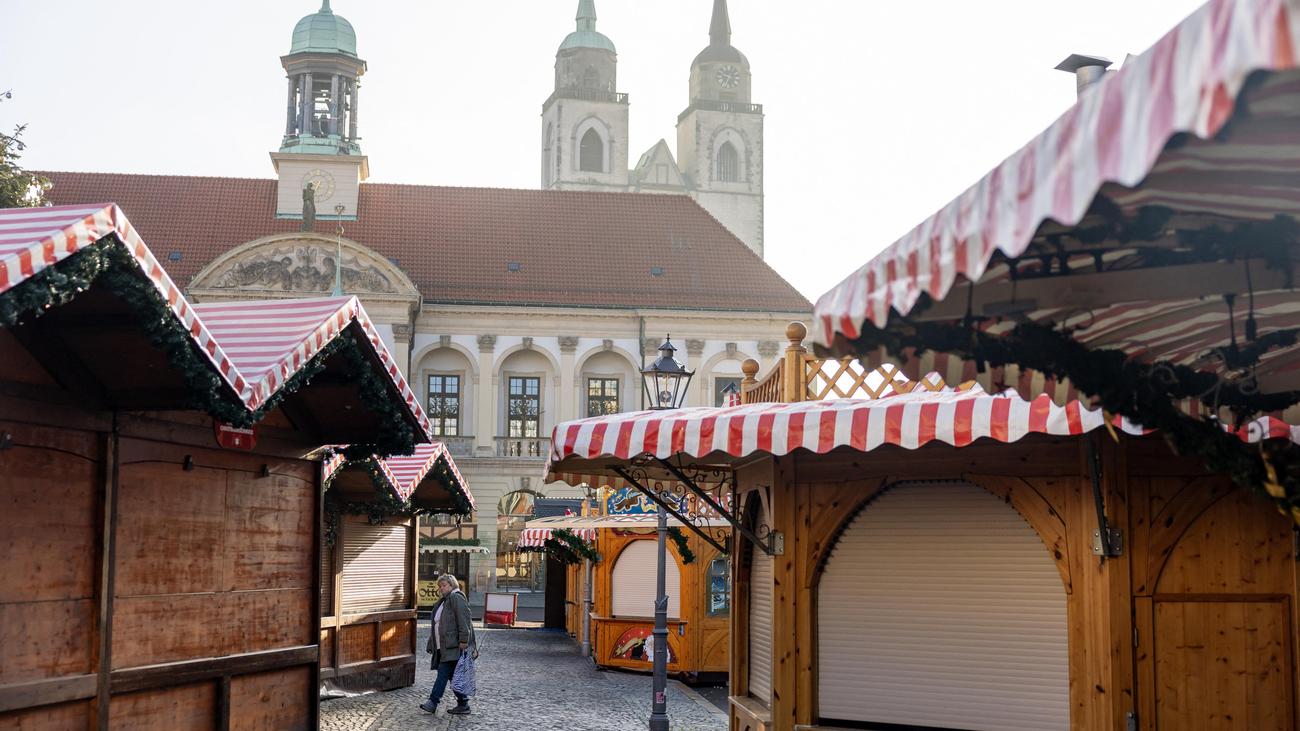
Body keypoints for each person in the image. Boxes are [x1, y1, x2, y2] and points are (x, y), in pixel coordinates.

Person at [420, 573, 476, 715]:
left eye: (444, 585)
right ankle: (463, 703)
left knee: (443, 673)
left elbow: (464, 621)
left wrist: (464, 640)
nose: (441, 589)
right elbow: (438, 625)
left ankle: (433, 702)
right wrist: (432, 642)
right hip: (444, 646)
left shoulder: (456, 598)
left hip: (453, 646)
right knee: (451, 675)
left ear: (452, 585)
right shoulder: (445, 601)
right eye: (440, 586)